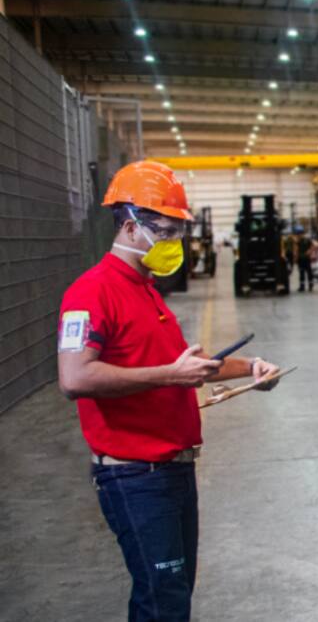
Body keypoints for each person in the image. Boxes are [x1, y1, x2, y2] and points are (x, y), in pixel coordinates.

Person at [57, 161, 281, 622]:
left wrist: (250, 369)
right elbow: (75, 378)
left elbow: (187, 364)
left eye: (178, 231)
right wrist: (168, 375)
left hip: (172, 469)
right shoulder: (90, 292)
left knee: (173, 596)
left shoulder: (146, 291)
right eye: (164, 231)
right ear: (128, 226)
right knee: (162, 602)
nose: (173, 242)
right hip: (135, 475)